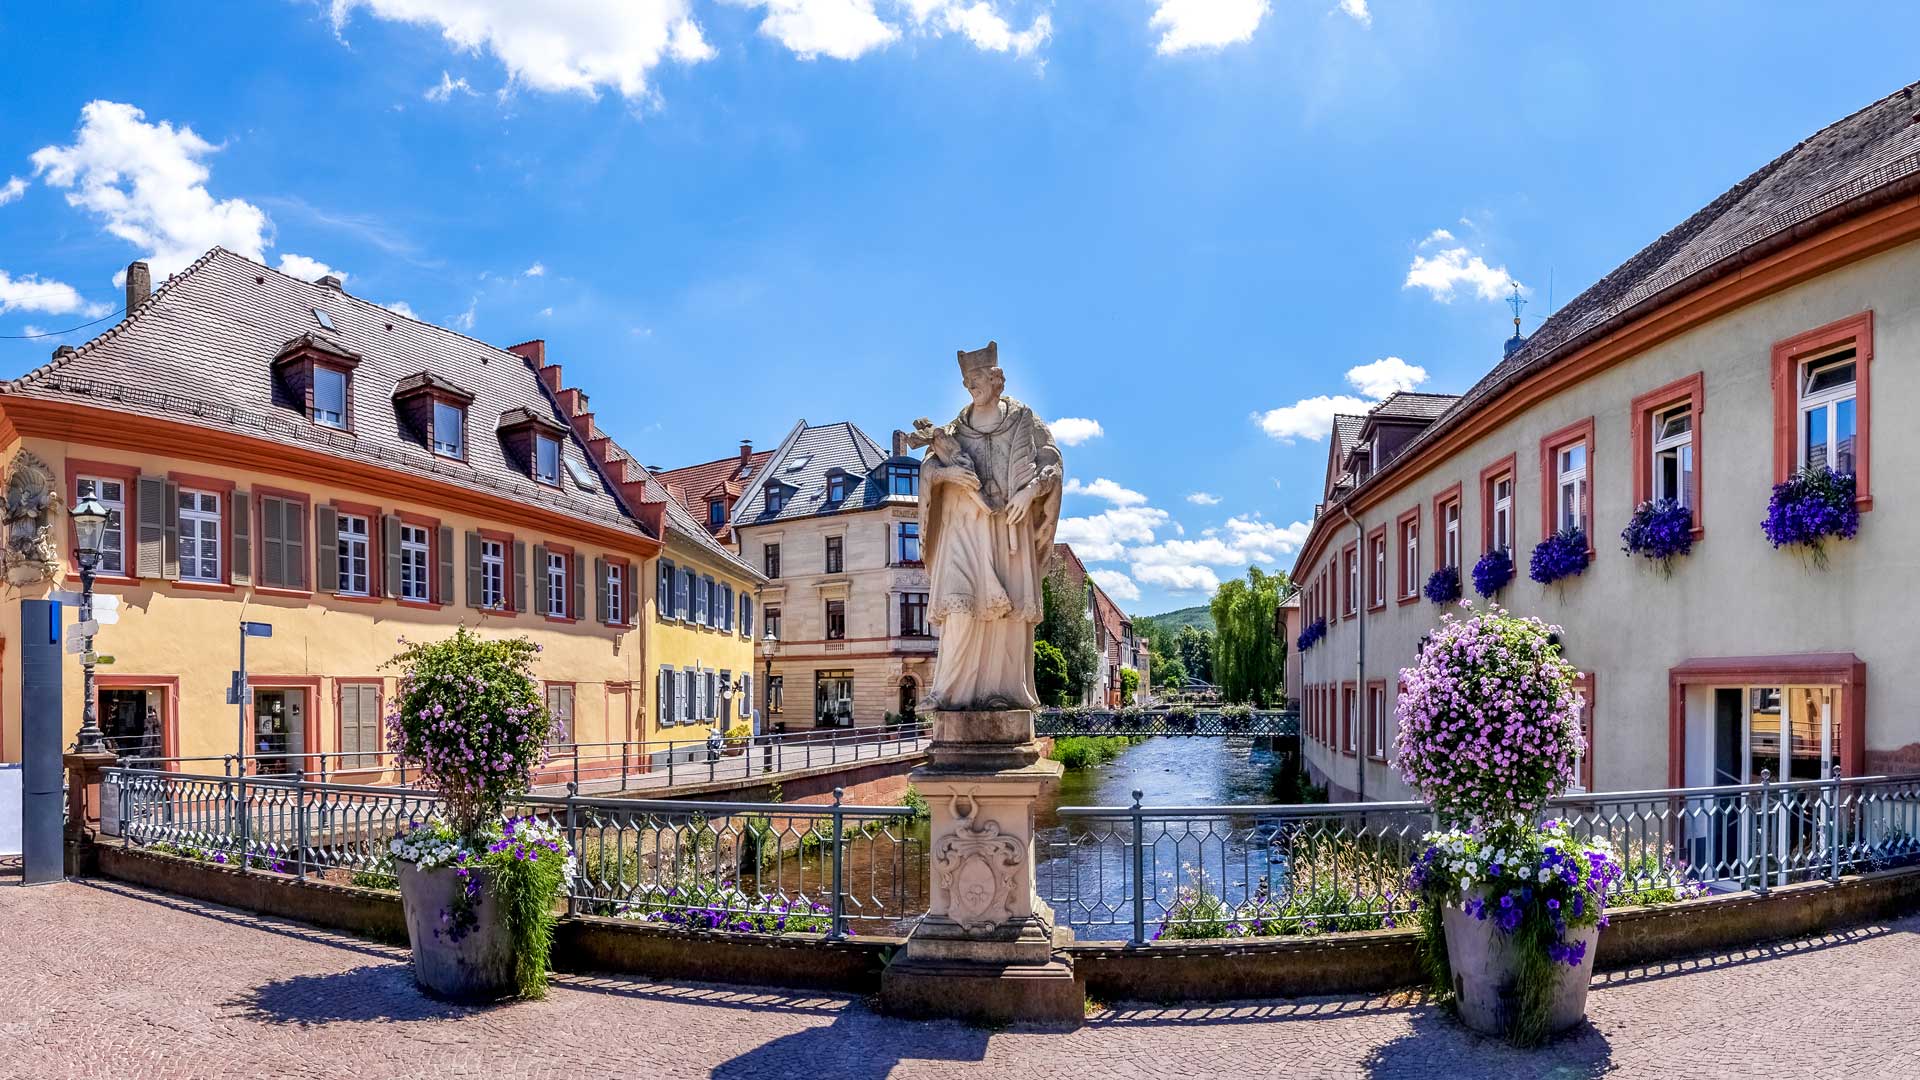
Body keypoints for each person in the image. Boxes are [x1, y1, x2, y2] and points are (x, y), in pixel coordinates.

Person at [914, 341, 1063, 712]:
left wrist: (1030, 492)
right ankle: (949, 692)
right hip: (962, 526)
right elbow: (929, 468)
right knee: (959, 605)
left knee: (1007, 613)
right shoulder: (955, 428)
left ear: (996, 380)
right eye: (966, 380)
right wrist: (949, 473)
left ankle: (1005, 694)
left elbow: (1052, 465)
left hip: (1008, 530)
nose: (970, 386)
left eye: (976, 378)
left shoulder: (1023, 419)